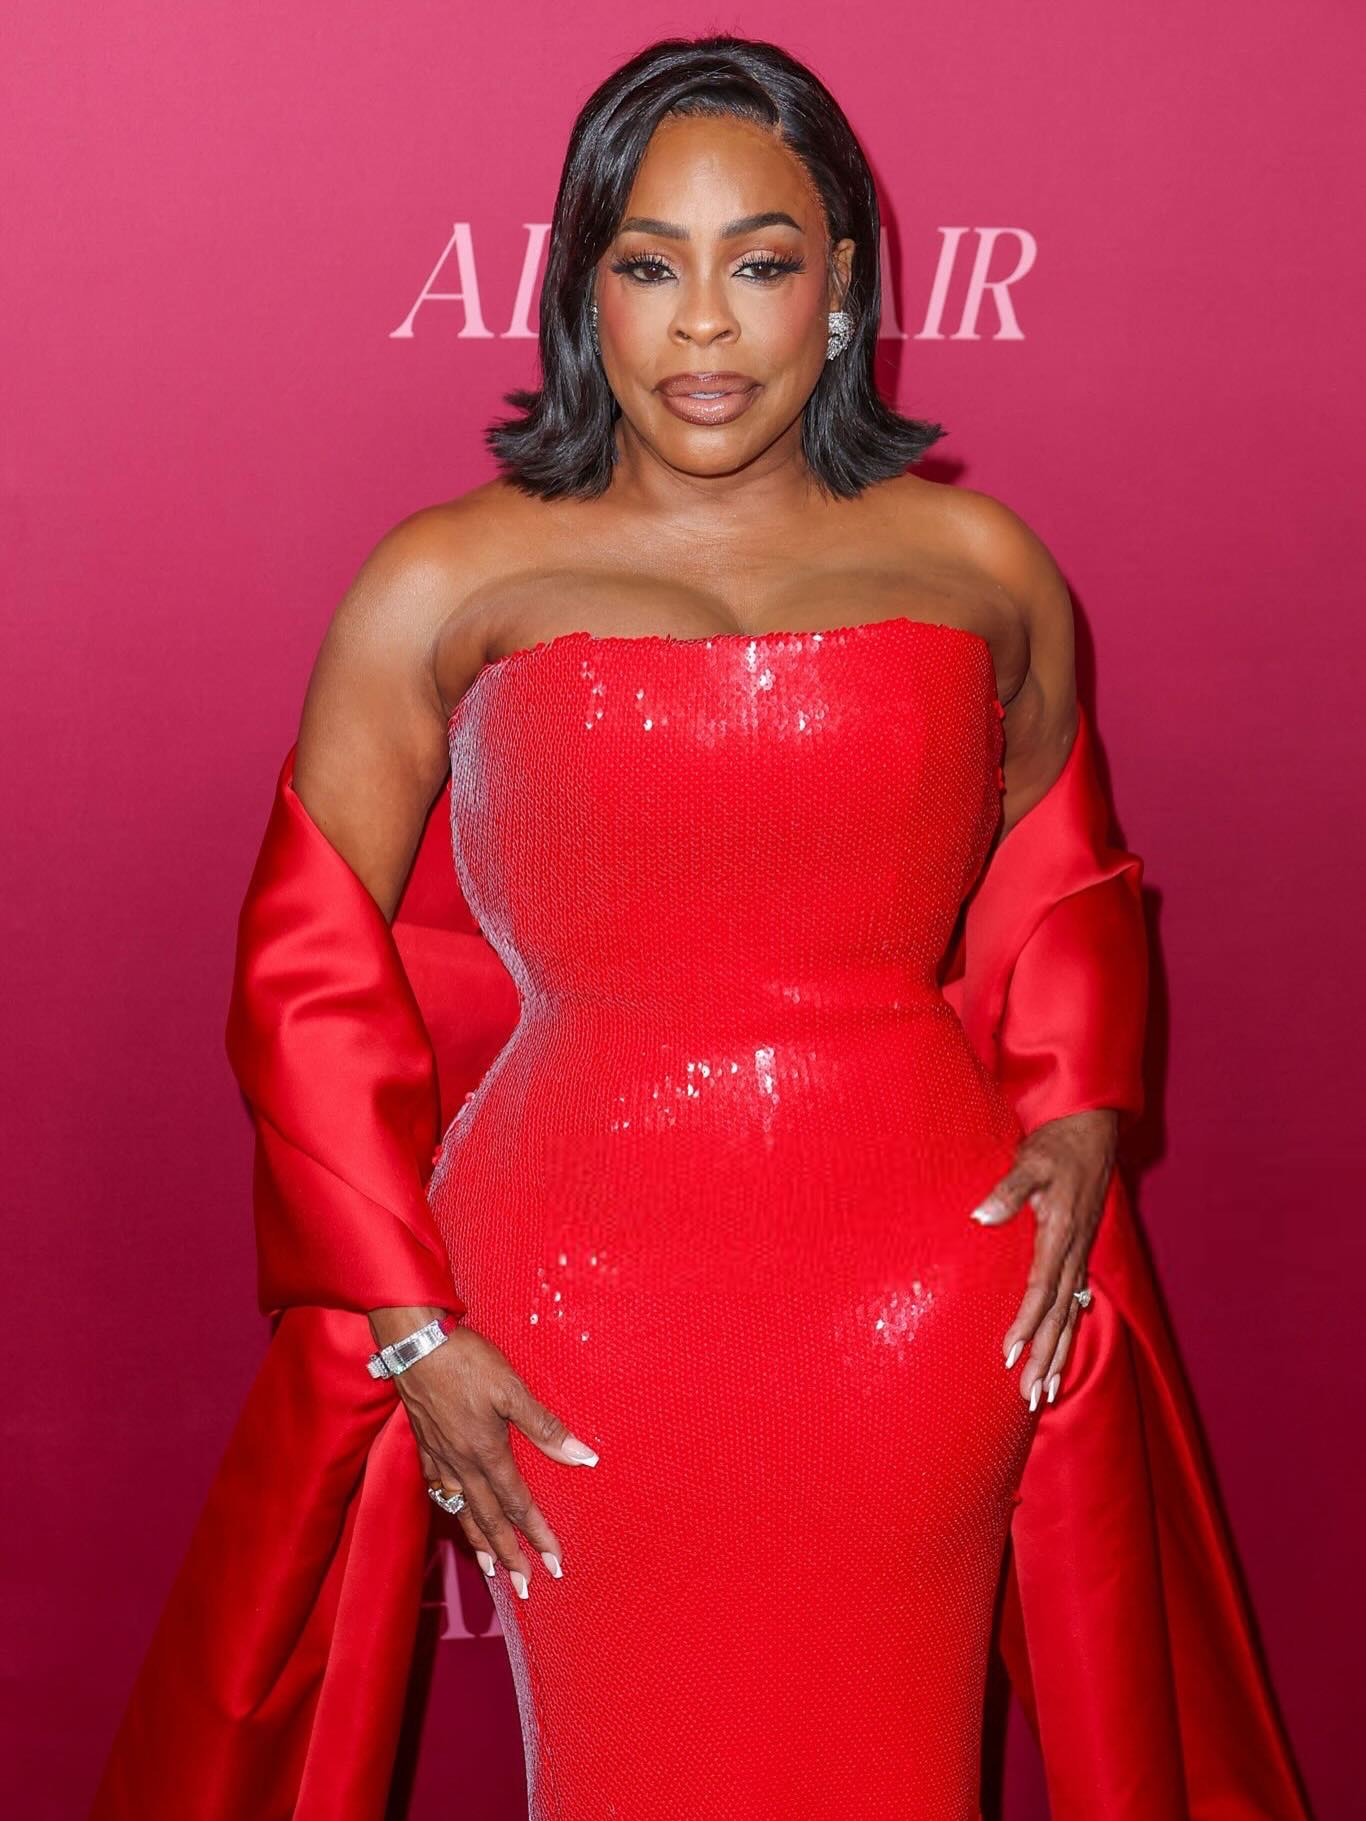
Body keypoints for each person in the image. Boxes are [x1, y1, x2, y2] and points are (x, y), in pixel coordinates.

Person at [92, 34, 1311, 1821]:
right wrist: (409, 1327)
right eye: (649, 266)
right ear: (583, 292)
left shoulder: (982, 567)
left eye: (763, 260)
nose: (707, 326)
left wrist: (1076, 1112)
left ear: (844, 286)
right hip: (569, 1311)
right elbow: (304, 974)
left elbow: (1060, 875)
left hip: (921, 1303)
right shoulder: (443, 578)